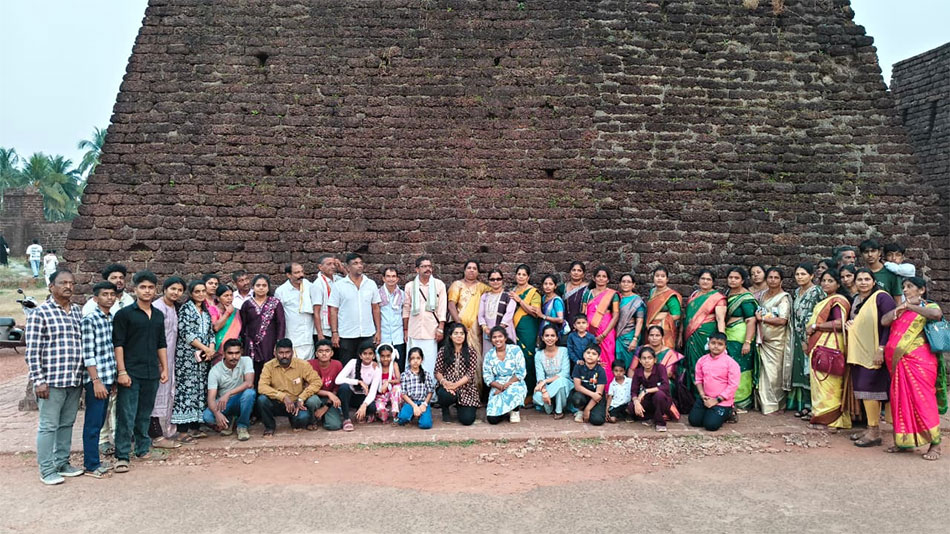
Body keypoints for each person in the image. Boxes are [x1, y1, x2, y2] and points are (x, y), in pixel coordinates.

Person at [25, 269, 84, 484]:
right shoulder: (40, 313)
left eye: (71, 283)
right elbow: (32, 352)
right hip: (51, 382)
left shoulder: (77, 312)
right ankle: (47, 469)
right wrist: (39, 381)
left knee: (67, 423)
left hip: (74, 380)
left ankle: (62, 463)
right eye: (63, 283)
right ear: (51, 287)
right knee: (48, 426)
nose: (68, 286)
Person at [112, 270, 170, 474]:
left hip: (151, 372)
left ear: (155, 290)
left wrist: (164, 368)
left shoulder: (158, 315)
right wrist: (121, 371)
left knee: (145, 414)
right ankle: (122, 455)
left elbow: (161, 343)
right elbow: (118, 344)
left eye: (150, 287)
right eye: (143, 287)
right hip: (130, 372)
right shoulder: (124, 314)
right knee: (126, 415)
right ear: (134, 289)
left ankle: (143, 449)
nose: (147, 291)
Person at [882, 277, 943, 460]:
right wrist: (901, 307)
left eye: (910, 286)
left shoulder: (929, 306)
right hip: (899, 363)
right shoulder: (901, 308)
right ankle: (904, 442)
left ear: (921, 290)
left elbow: (936, 315)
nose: (905, 290)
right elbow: (884, 321)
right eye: (904, 287)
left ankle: (935, 445)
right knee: (900, 402)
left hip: (920, 363)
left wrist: (911, 306)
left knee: (923, 401)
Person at [846, 268, 897, 448]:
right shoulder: (856, 300)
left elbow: (889, 324)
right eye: (859, 279)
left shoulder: (882, 298)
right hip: (860, 351)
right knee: (863, 388)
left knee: (871, 388)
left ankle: (875, 432)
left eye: (867, 279)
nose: (863, 282)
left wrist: (881, 349)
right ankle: (870, 428)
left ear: (874, 282)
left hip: (876, 351)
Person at [805, 269, 853, 431]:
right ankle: (821, 417)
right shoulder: (827, 300)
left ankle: (832, 421)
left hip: (830, 345)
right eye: (824, 280)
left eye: (830, 281)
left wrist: (815, 326)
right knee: (821, 384)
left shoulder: (838, 300)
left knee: (828, 383)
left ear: (838, 284)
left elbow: (840, 323)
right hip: (822, 344)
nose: (826, 283)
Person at [81, 282, 118, 478]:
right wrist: (96, 381)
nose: (109, 297)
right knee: (93, 423)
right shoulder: (90, 320)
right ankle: (91, 464)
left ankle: (94, 461)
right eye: (105, 294)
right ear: (96, 298)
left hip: (108, 378)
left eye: (112, 294)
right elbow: (88, 354)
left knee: (100, 418)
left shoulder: (110, 318)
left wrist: (112, 380)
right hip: (97, 380)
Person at [172, 279, 216, 439]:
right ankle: (183, 431)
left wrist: (211, 347)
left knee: (200, 390)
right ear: (191, 294)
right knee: (186, 391)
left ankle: (195, 427)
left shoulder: (205, 311)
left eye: (203, 291)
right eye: (197, 292)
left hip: (203, 359)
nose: (201, 294)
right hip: (187, 358)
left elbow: (211, 332)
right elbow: (186, 333)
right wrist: (205, 348)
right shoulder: (186, 309)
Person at [256, 338, 325, 435]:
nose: (284, 356)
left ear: (292, 352)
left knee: (303, 418)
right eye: (281, 353)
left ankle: (297, 421)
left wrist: (302, 397)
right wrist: (283, 397)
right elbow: (262, 387)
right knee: (262, 400)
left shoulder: (302, 365)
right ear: (275, 353)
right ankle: (269, 427)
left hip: (296, 404)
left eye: (287, 352)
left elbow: (317, 382)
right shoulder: (268, 366)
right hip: (277, 403)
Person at [149, 276, 184, 447]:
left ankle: (167, 430)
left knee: (169, 392)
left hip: (171, 357)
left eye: (179, 290)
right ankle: (155, 434)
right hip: (158, 357)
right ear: (164, 289)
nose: (176, 292)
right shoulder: (156, 307)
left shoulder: (176, 308)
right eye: (173, 289)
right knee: (156, 395)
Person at [787, 262, 825, 418]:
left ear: (811, 276)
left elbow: (821, 314)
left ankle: (815, 407)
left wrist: (808, 338)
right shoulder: (797, 292)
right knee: (802, 371)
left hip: (812, 335)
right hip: (797, 335)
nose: (799, 277)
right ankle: (805, 405)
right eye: (797, 274)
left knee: (810, 370)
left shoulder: (817, 292)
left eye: (803, 274)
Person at [331, 253, 382, 365]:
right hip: (346, 334)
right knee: (347, 365)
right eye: (355, 263)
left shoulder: (370, 284)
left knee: (367, 365)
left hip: (367, 333)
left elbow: (375, 308)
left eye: (360, 263)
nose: (359, 266)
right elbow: (333, 310)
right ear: (348, 267)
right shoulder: (339, 285)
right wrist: (334, 332)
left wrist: (378, 331)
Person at [755, 267, 792, 415]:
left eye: (776, 278)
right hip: (763, 339)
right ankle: (765, 404)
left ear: (781, 281)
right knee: (763, 373)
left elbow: (783, 320)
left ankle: (778, 404)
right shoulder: (763, 295)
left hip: (777, 341)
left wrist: (763, 319)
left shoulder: (783, 297)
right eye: (770, 277)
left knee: (775, 373)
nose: (773, 280)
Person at [683, 270, 726, 395]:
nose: (705, 281)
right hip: (690, 336)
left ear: (713, 282)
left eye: (708, 279)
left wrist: (722, 339)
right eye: (703, 278)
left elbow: (720, 319)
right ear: (698, 280)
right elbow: (686, 317)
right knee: (692, 364)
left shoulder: (717, 298)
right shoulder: (694, 295)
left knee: (706, 365)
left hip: (706, 336)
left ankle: (708, 395)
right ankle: (693, 397)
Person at [202, 339, 255, 441]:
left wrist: (228, 393)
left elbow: (249, 383)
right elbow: (211, 399)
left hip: (240, 399)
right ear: (224, 353)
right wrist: (217, 414)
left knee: (249, 393)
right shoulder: (215, 371)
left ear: (241, 352)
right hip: (224, 404)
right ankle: (229, 421)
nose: (234, 357)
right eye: (230, 353)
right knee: (207, 416)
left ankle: (242, 426)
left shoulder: (246, 360)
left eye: (237, 353)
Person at [403, 255, 446, 377]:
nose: (428, 269)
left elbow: (442, 308)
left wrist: (441, 328)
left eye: (429, 266)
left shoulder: (439, 285)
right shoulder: (410, 286)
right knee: (413, 361)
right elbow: (406, 308)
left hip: (431, 331)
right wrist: (405, 329)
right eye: (424, 266)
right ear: (417, 269)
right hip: (414, 331)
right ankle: (413, 386)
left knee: (430, 362)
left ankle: (430, 388)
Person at [239, 274, 285, 384]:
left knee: (269, 369)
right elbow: (243, 325)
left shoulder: (275, 303)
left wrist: (278, 344)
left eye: (264, 285)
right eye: (258, 285)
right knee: (252, 371)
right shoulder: (247, 304)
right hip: (251, 344)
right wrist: (244, 344)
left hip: (269, 343)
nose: (261, 288)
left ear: (268, 288)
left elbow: (281, 324)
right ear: (253, 287)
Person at [688, 332, 740, 431]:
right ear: (708, 344)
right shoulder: (702, 360)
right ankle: (710, 412)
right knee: (694, 421)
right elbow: (698, 380)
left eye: (720, 344)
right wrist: (702, 395)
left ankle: (729, 412)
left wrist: (717, 400)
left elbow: (733, 385)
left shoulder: (731, 363)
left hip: (722, 401)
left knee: (710, 425)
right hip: (706, 398)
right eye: (713, 343)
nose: (716, 346)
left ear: (725, 346)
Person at [723, 267, 757, 412]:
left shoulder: (745, 298)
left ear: (742, 280)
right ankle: (729, 400)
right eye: (730, 277)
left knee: (741, 368)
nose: (733, 280)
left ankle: (742, 402)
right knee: (729, 368)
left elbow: (751, 320)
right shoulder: (727, 293)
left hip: (740, 335)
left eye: (736, 278)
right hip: (728, 334)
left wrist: (747, 342)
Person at [635, 325, 689, 415]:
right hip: (644, 379)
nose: (654, 338)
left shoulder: (670, 353)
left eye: (657, 335)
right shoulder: (641, 349)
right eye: (651, 335)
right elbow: (632, 369)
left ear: (662, 337)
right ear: (647, 337)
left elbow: (668, 374)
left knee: (668, 385)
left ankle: (664, 411)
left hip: (662, 382)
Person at [581, 266, 620, 390]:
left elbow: (616, 315)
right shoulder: (588, 294)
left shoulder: (612, 295)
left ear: (608, 279)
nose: (601, 279)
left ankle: (607, 391)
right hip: (589, 331)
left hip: (606, 332)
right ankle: (591, 389)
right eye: (598, 276)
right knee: (590, 357)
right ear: (594, 278)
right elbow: (583, 313)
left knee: (607, 359)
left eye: (604, 276)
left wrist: (603, 335)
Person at [435, 323, 480, 426]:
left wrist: (456, 385)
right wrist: (444, 382)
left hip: (465, 387)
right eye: (456, 333)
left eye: (461, 333)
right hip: (448, 385)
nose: (459, 336)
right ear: (450, 336)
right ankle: (445, 409)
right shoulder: (443, 351)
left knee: (467, 420)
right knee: (445, 395)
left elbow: (470, 374)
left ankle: (460, 406)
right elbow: (437, 371)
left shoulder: (471, 352)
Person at [483, 325, 528, 424]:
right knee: (492, 420)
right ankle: (505, 411)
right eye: (494, 337)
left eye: (500, 336)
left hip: (514, 382)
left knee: (513, 390)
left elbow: (521, 372)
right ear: (491, 340)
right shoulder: (489, 355)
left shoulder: (515, 350)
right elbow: (487, 377)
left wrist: (506, 386)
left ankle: (515, 410)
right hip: (497, 385)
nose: (497, 339)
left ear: (505, 338)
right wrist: (500, 387)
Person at [509, 264, 541, 401]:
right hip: (513, 328)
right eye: (519, 274)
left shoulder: (533, 292)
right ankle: (517, 391)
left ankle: (530, 392)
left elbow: (535, 312)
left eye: (524, 274)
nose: (521, 277)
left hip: (528, 328)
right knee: (515, 358)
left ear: (528, 277)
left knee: (528, 357)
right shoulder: (512, 291)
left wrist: (520, 300)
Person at [335, 340, 382, 431]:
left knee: (372, 408)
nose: (367, 356)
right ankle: (346, 419)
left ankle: (361, 412)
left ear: (374, 356)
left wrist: (364, 405)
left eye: (370, 353)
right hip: (350, 396)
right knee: (344, 387)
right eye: (365, 353)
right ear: (360, 355)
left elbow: (372, 392)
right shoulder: (353, 363)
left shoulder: (376, 369)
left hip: (362, 397)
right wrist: (358, 382)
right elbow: (338, 380)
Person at [447, 260, 490, 360]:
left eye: (474, 268)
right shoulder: (457, 285)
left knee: (476, 353)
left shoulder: (482, 287)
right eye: (469, 268)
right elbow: (451, 305)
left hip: (476, 328)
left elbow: (495, 293)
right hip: (459, 327)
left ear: (478, 272)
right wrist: (459, 324)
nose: (471, 270)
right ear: (464, 270)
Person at [274, 262, 315, 360]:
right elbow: (278, 316)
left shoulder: (310, 287)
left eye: (301, 272)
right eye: (297, 273)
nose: (301, 275)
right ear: (288, 275)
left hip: (308, 335)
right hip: (293, 335)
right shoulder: (281, 291)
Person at [629, 346, 676, 431]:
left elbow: (665, 386)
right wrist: (636, 402)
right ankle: (651, 417)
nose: (647, 361)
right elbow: (633, 391)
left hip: (662, 400)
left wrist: (646, 391)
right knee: (631, 407)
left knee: (658, 395)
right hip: (647, 400)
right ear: (640, 360)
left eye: (649, 358)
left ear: (655, 360)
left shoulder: (660, 368)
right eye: (644, 358)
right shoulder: (638, 371)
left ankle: (660, 422)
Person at [532, 325, 572, 419]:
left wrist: (545, 381)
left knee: (561, 382)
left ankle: (559, 411)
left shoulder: (564, 351)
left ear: (557, 337)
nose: (550, 338)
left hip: (563, 382)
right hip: (548, 386)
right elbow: (540, 377)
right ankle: (549, 406)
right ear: (542, 338)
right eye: (547, 335)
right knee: (537, 397)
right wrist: (544, 391)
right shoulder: (538, 354)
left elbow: (565, 373)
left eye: (552, 335)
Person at [308, 339, 344, 431]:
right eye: (320, 351)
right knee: (313, 401)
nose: (324, 354)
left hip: (329, 400)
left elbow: (336, 388)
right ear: (316, 354)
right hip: (314, 396)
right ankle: (312, 420)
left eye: (327, 351)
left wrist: (325, 408)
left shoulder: (337, 365)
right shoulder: (309, 364)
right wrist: (328, 393)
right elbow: (307, 388)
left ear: (332, 353)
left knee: (334, 425)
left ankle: (325, 416)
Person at [478, 268, 517, 351]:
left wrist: (498, 330)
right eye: (492, 279)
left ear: (502, 280)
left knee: (507, 354)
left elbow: (509, 314)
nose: (495, 281)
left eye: (498, 279)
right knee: (490, 354)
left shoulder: (509, 295)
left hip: (505, 330)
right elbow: (480, 315)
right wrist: (485, 328)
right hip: (488, 332)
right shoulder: (485, 296)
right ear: (488, 281)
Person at [396, 347, 436, 429]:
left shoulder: (426, 374)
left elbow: (430, 391)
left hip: (423, 402)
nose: (415, 361)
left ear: (422, 360)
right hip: (410, 402)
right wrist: (414, 406)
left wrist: (424, 404)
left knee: (426, 425)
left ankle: (421, 415)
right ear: (409, 360)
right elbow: (404, 394)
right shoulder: (405, 375)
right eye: (413, 358)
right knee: (403, 419)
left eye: (418, 358)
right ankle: (411, 414)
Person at [646, 266, 682, 351]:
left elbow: (676, 315)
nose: (659, 278)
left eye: (662, 276)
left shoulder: (670, 295)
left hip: (664, 329)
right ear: (653, 278)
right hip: (650, 328)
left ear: (667, 279)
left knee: (664, 353)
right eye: (657, 276)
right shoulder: (652, 292)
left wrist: (660, 322)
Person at [615, 273, 646, 371]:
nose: (626, 284)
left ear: (633, 285)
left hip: (629, 337)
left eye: (629, 282)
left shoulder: (637, 301)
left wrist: (635, 339)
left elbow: (640, 321)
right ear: (620, 284)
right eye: (623, 281)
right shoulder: (615, 297)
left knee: (629, 365)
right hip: (615, 336)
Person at [378, 267, 407, 371]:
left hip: (398, 335)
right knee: (382, 365)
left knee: (399, 365)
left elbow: (405, 313)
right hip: (383, 335)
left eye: (393, 276)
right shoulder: (377, 294)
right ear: (383, 278)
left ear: (397, 279)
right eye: (388, 276)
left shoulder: (402, 295)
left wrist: (405, 330)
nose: (391, 279)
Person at [570, 345, 607, 425]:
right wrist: (592, 394)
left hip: (596, 399)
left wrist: (587, 409)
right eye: (588, 353)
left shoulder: (601, 371)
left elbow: (598, 394)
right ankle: (580, 410)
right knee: (577, 398)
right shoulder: (578, 367)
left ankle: (587, 410)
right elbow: (577, 387)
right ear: (584, 355)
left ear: (598, 358)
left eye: (594, 354)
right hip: (583, 395)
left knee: (597, 420)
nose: (590, 355)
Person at [310, 254, 342, 345]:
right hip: (324, 330)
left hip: (337, 327)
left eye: (334, 264)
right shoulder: (318, 285)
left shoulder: (338, 280)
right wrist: (320, 334)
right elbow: (316, 311)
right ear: (320, 267)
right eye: (329, 264)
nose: (333, 267)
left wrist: (342, 269)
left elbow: (351, 281)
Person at [373, 343, 401, 423]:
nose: (385, 359)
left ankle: (395, 412)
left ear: (392, 356)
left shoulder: (394, 364)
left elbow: (399, 380)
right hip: (381, 395)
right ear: (378, 357)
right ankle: (384, 413)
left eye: (388, 356)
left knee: (397, 388)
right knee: (382, 415)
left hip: (393, 393)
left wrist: (388, 382)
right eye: (382, 356)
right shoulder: (376, 366)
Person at [538, 274, 567, 345]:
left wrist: (543, 316)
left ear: (555, 286)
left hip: (553, 331)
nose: (547, 286)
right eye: (545, 284)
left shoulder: (556, 301)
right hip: (544, 329)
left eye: (551, 284)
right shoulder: (544, 298)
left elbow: (560, 319)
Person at [211, 284, 241, 352]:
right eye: (226, 296)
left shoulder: (237, 312)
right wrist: (227, 313)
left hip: (234, 348)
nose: (229, 298)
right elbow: (216, 328)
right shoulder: (213, 310)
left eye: (231, 295)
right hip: (218, 348)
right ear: (218, 298)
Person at [558, 261, 588, 331]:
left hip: (581, 326)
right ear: (570, 272)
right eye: (573, 270)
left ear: (583, 274)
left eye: (579, 270)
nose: (576, 273)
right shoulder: (562, 288)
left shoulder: (588, 289)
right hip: (564, 325)